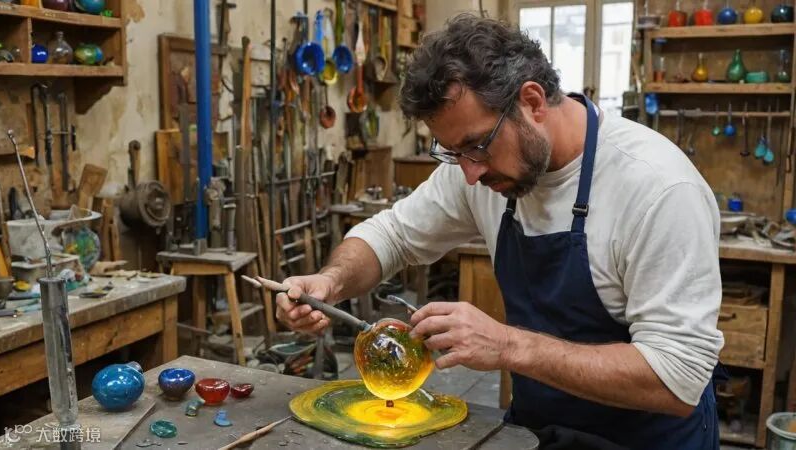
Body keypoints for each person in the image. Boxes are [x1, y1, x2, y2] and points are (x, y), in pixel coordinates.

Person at [275, 14, 723, 450]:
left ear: (532, 102)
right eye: (453, 153)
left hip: (646, 440)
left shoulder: (658, 188)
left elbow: (677, 378)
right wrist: (332, 281)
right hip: (536, 433)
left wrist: (508, 345)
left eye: (476, 146)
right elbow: (392, 235)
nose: (470, 173)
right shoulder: (479, 167)